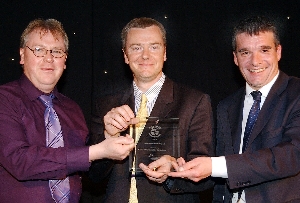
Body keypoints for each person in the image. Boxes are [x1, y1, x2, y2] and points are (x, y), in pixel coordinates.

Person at [0, 18, 134, 203]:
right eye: (38, 50)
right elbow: (20, 161)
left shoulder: (72, 109)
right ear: (22, 55)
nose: (49, 58)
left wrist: (109, 136)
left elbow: (92, 173)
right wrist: (95, 151)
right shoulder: (4, 99)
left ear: (65, 61)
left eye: (56, 51)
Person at [168, 15, 300, 203]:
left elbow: (291, 155)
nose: (255, 61)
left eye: (264, 50)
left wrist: (214, 165)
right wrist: (175, 169)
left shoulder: (296, 94)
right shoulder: (227, 106)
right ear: (235, 58)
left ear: (278, 52)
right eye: (245, 52)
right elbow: (216, 171)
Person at [88, 17, 214, 202]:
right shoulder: (107, 106)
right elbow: (94, 175)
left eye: (154, 47)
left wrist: (172, 172)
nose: (145, 55)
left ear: (165, 53)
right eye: (136, 47)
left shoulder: (194, 102)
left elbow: (207, 176)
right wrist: (109, 138)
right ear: (125, 55)